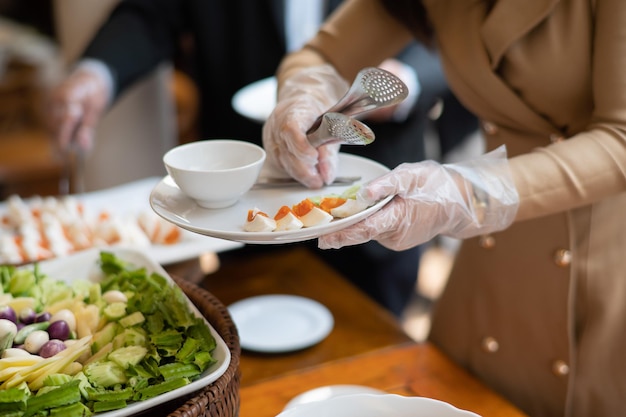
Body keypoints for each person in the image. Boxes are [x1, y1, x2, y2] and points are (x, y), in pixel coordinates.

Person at [261, 0, 626, 416]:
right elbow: (321, 56)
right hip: (494, 252)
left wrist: (468, 192)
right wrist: (302, 95)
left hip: (601, 259)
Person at [48, 0, 478, 317]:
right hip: (248, 202)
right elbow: (151, 11)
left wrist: (407, 79)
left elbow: (454, 27)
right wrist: (96, 72)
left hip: (371, 191)